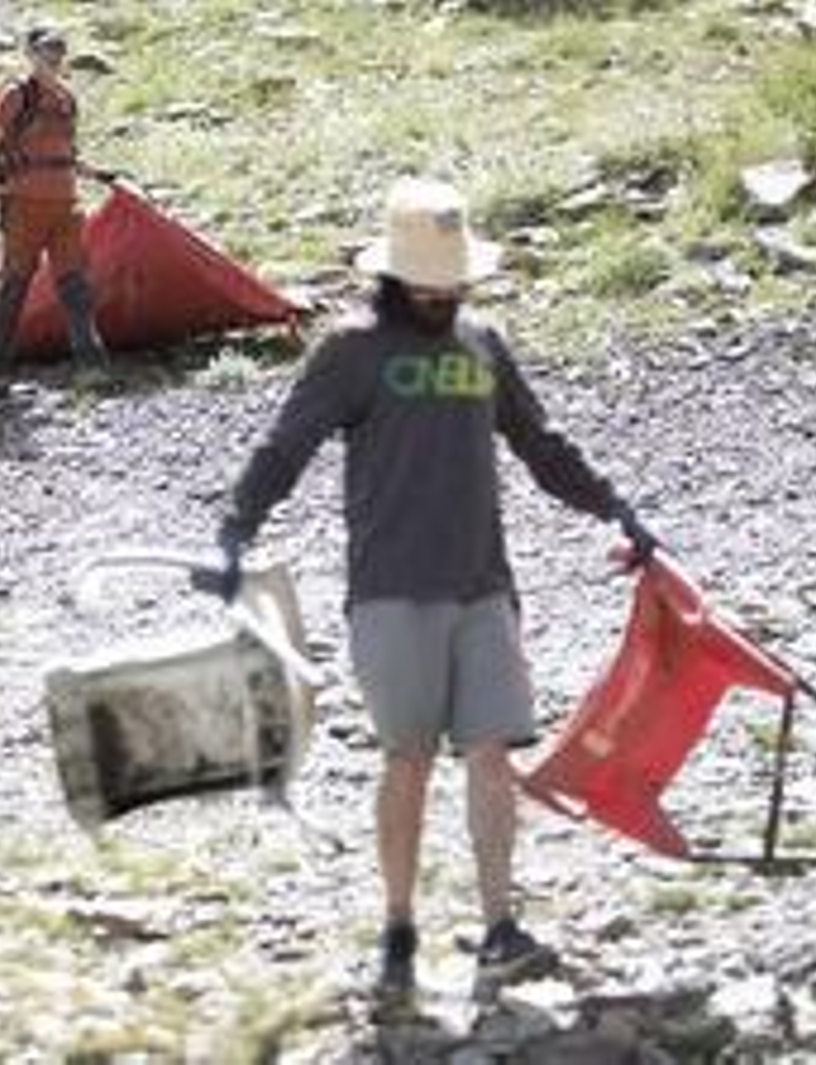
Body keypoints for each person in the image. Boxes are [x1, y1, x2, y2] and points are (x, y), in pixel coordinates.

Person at [214, 177, 657, 1004]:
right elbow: (286, 446)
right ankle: (398, 927)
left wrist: (616, 507)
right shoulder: (351, 350)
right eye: (425, 282)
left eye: (450, 282)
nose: (439, 294)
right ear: (392, 277)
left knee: (491, 755)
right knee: (408, 760)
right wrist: (238, 525)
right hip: (389, 592)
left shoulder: (482, 344)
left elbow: (544, 447)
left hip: (483, 587)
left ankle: (499, 926)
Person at [0, 23, 109, 403]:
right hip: (24, 206)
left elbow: (67, 156)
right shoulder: (15, 95)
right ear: (29, 53)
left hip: (65, 206)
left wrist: (100, 175)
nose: (55, 55)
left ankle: (92, 366)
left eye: (60, 49)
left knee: (74, 284)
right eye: (47, 49)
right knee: (16, 284)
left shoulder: (66, 99)